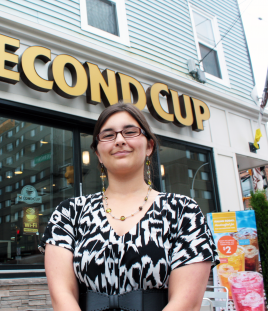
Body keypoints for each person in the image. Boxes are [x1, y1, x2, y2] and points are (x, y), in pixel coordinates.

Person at [39, 103, 220, 311]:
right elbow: (62, 296)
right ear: (98, 153)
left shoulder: (183, 212)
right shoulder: (69, 213)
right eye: (107, 135)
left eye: (130, 132)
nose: (119, 140)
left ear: (149, 146)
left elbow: (186, 303)